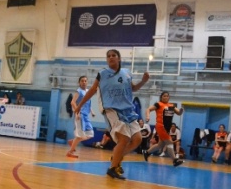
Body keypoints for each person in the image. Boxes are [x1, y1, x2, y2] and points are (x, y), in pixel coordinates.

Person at [74, 49, 149, 180]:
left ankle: (116, 157)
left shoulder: (126, 73)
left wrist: (143, 81)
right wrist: (79, 106)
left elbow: (133, 88)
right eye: (108, 56)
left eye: (113, 55)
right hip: (112, 110)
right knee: (124, 139)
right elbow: (92, 90)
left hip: (128, 110)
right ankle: (112, 168)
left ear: (119, 58)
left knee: (138, 139)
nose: (111, 58)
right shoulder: (102, 74)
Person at [143, 91, 184, 167]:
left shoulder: (171, 106)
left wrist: (181, 110)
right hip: (161, 126)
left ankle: (147, 152)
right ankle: (175, 160)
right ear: (161, 97)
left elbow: (178, 113)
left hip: (167, 128)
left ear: (169, 97)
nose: (165, 97)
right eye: (164, 96)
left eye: (167, 96)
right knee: (170, 142)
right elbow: (148, 109)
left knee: (160, 145)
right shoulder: (158, 104)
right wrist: (148, 116)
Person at [67, 76, 96, 158]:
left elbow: (87, 103)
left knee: (90, 134)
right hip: (80, 115)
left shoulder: (87, 91)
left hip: (86, 115)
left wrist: (92, 111)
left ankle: (73, 141)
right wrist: (77, 112)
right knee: (80, 135)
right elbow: (72, 102)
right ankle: (70, 152)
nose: (84, 82)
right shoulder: (78, 91)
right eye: (82, 81)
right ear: (79, 82)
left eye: (85, 81)